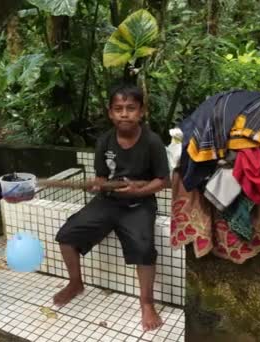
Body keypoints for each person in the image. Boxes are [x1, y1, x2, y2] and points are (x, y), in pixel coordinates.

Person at [54, 83, 170, 331]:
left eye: (131, 108)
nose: (124, 114)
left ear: (141, 112)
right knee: (66, 236)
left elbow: (163, 181)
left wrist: (139, 190)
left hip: (139, 203)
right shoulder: (105, 141)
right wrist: (96, 186)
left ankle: (146, 302)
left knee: (144, 248)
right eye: (119, 109)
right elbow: (101, 178)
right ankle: (76, 283)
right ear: (110, 113)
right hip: (107, 202)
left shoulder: (152, 142)